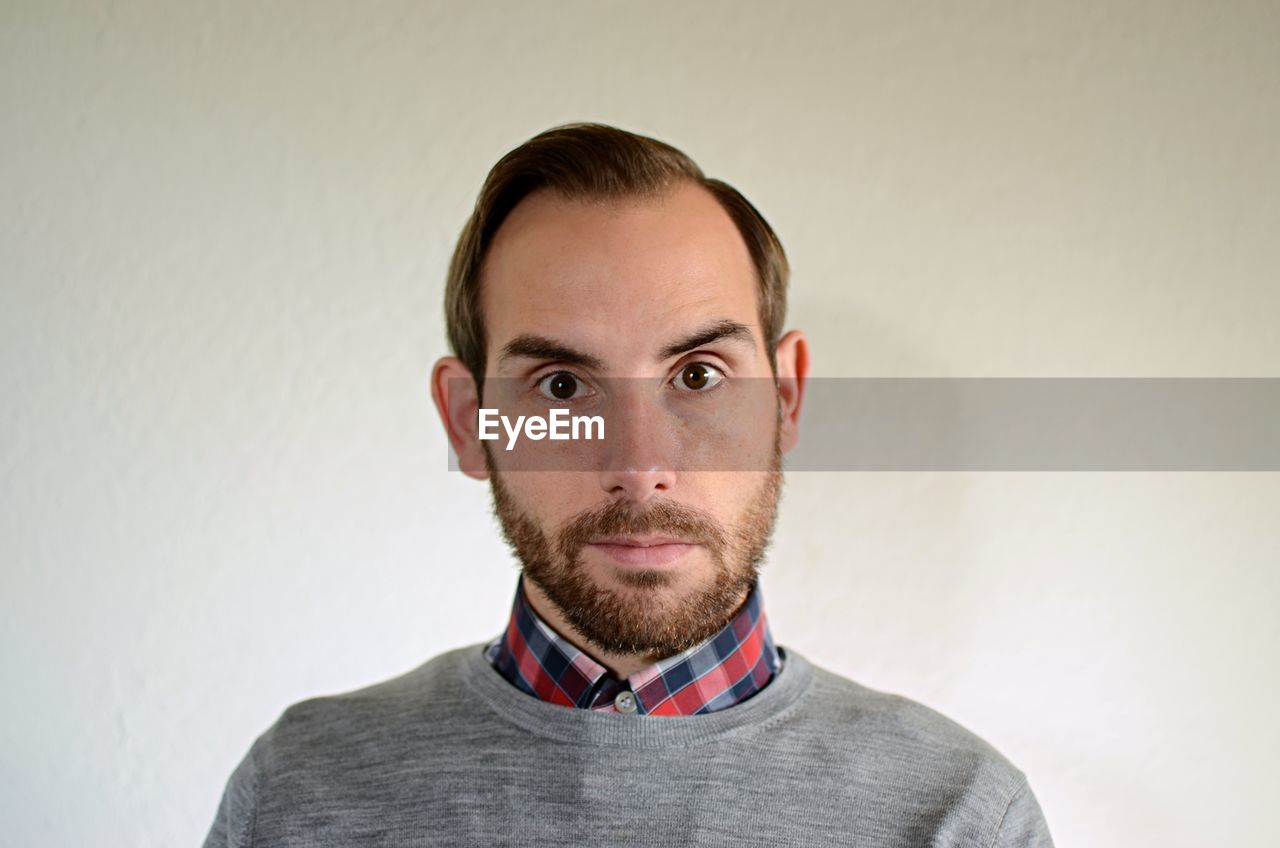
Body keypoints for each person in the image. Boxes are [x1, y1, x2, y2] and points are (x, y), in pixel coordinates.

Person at [204, 122, 1054, 847]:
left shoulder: (958, 815)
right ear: (470, 422)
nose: (640, 464)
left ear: (785, 396)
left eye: (697, 376)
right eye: (564, 386)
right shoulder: (300, 793)